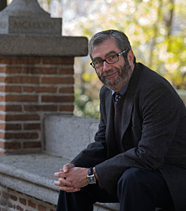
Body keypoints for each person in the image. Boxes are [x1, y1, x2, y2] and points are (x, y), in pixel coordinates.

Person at [54, 29, 186, 211]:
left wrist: (91, 174)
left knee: (132, 179)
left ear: (129, 56)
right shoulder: (107, 92)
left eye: (112, 57)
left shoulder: (155, 91)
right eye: (98, 62)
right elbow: (102, 143)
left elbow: (149, 156)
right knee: (74, 186)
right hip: (132, 172)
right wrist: (73, 168)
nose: (105, 67)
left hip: (172, 178)